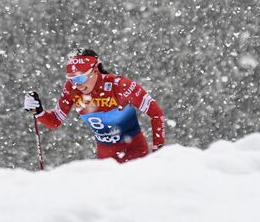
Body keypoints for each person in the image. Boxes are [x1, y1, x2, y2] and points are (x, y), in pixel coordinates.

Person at [23, 49, 165, 163]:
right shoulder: (72, 89)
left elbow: (156, 113)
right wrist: (38, 111)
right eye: (71, 80)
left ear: (95, 71)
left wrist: (158, 150)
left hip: (134, 153)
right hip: (105, 159)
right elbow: (55, 121)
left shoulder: (119, 85)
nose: (77, 84)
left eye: (80, 78)